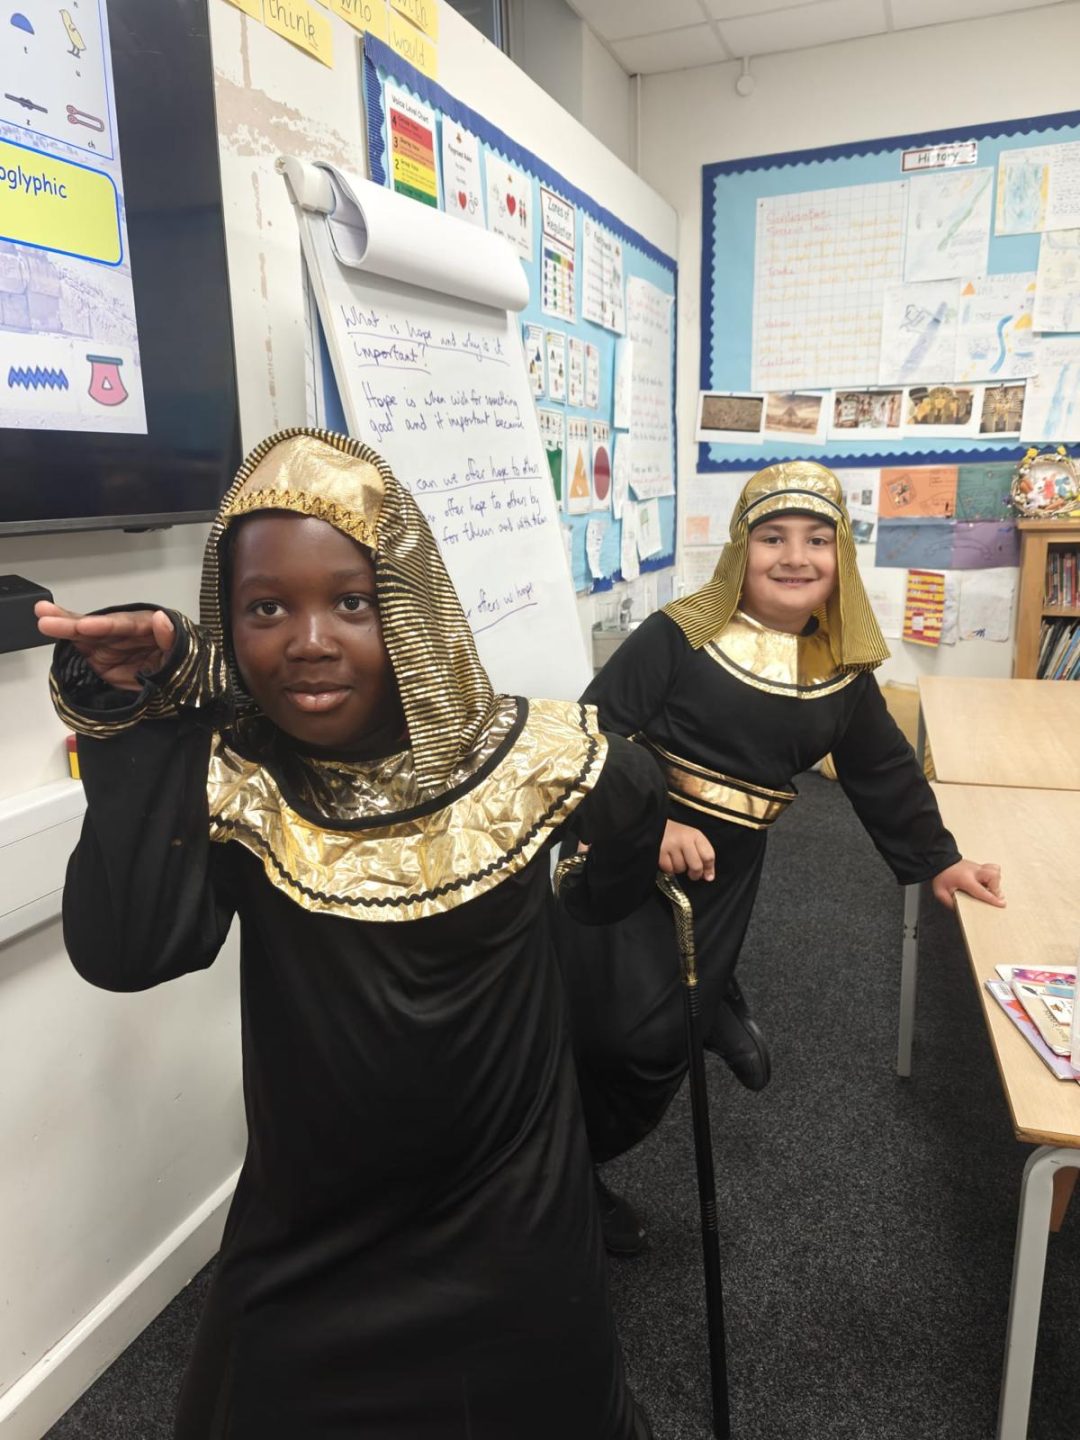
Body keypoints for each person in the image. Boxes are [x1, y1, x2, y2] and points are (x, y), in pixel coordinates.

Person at [38, 429, 666, 1440]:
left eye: (353, 602)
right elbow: (131, 950)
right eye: (266, 609)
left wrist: (589, 901)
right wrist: (146, 718)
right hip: (311, 1237)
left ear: (411, 608)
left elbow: (631, 804)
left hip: (511, 1226)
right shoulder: (243, 782)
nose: (310, 640)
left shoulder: (533, 761)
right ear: (228, 625)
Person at [555, 460, 1005, 1255]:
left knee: (663, 1034)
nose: (795, 556)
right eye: (773, 537)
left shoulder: (839, 668)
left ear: (841, 556)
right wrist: (647, 824)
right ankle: (568, 1181)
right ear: (741, 549)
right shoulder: (677, 636)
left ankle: (708, 1006)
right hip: (625, 853)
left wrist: (939, 860)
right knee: (616, 1040)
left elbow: (881, 769)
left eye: (817, 539)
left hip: (725, 870)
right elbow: (591, 735)